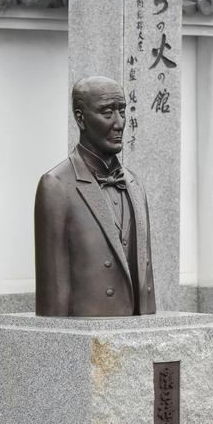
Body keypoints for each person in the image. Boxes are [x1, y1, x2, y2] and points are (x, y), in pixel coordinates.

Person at [35, 76, 156, 317]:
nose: (119, 123)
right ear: (81, 118)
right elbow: (53, 296)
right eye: (107, 112)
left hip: (139, 332)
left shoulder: (134, 184)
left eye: (122, 111)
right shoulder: (56, 185)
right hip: (87, 333)